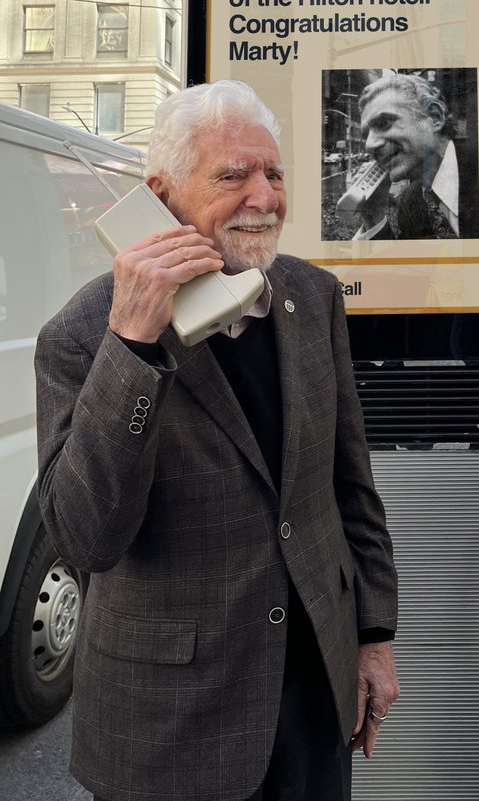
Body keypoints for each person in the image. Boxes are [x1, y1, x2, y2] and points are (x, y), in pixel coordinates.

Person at [35, 80, 399, 801]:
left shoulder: (311, 297)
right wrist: (132, 347)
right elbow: (85, 539)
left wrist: (373, 636)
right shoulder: (81, 335)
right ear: (160, 196)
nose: (264, 198)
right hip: (172, 726)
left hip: (312, 697)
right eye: (233, 176)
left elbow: (348, 485)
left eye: (274, 174)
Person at [348, 74, 479, 240]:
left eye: (384, 123)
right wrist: (373, 215)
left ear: (435, 117)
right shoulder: (409, 202)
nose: (369, 145)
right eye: (366, 135)